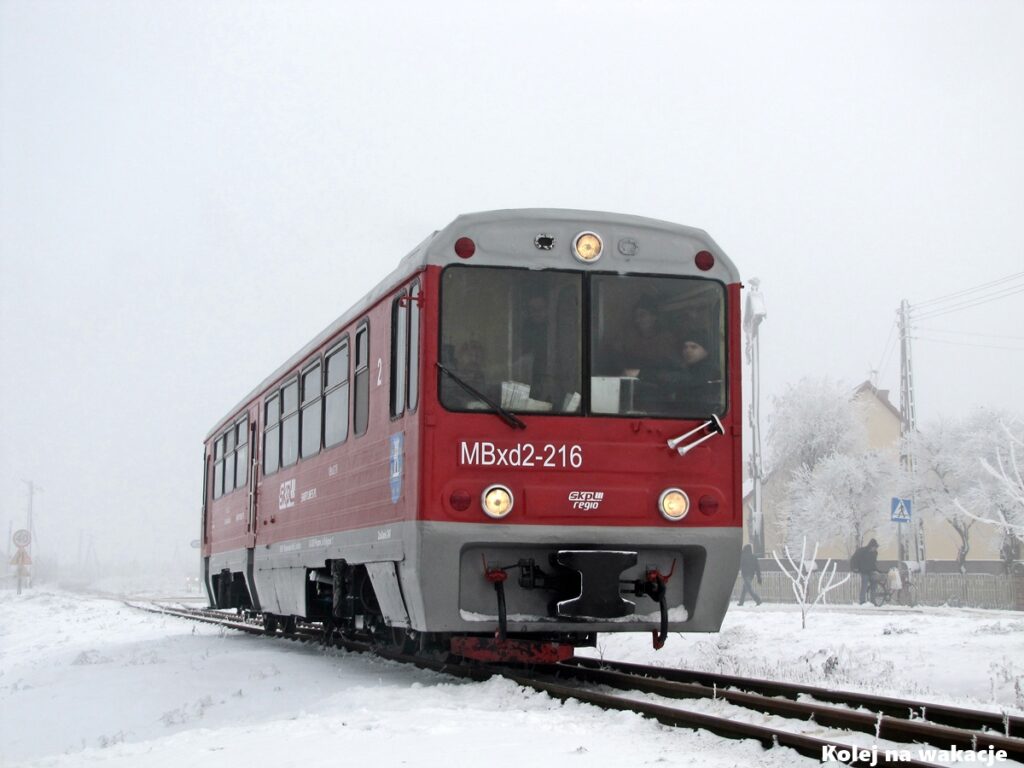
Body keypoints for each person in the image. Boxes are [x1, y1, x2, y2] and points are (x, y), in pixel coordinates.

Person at [851, 538, 880, 604]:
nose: (875, 549)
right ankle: (862, 601)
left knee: (874, 585)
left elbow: (873, 563)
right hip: (863, 571)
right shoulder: (862, 551)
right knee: (864, 585)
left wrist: (877, 570)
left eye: (876, 548)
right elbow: (855, 559)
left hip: (871, 571)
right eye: (875, 547)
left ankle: (873, 601)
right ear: (871, 546)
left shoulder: (875, 553)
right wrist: (855, 568)